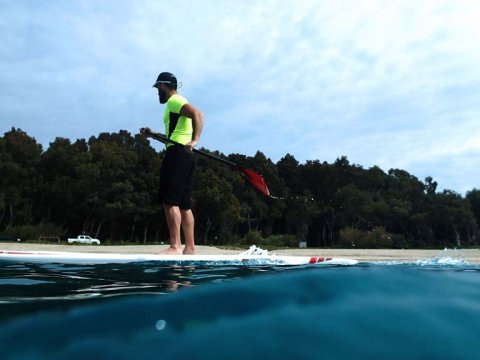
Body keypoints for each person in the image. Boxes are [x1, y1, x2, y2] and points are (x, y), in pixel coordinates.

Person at [141, 72, 204, 255]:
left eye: (157, 88)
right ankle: (190, 248)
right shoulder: (176, 103)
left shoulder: (174, 101)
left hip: (177, 155)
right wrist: (153, 134)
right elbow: (174, 137)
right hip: (184, 156)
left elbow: (198, 114)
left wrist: (195, 140)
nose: (157, 92)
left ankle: (175, 246)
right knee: (184, 204)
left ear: (163, 85)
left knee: (169, 200)